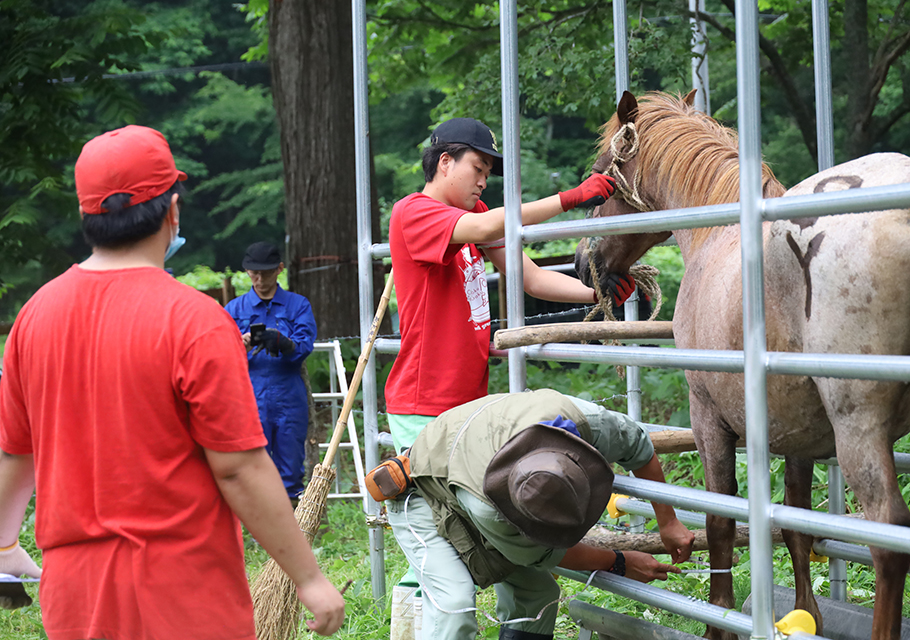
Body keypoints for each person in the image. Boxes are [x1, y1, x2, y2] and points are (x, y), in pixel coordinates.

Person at [0, 125, 344, 638]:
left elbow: (15, 454)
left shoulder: (35, 316)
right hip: (182, 586)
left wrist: (4, 544)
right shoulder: (195, 320)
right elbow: (238, 469)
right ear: (172, 211)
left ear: (84, 215)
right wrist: (308, 577)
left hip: (74, 592)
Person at [385, 117, 637, 630]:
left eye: (489, 173)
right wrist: (572, 199)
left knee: (500, 542)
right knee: (441, 552)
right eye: (478, 168)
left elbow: (529, 275)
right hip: (422, 404)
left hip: (470, 405)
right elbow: (485, 228)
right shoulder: (415, 213)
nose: (483, 181)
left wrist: (599, 296)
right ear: (445, 160)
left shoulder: (474, 212)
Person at [385, 388, 695, 640]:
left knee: (538, 594)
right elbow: (546, 555)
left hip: (464, 472)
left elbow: (638, 445)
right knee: (454, 604)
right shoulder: (489, 507)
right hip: (422, 494)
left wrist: (668, 521)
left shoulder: (582, 422)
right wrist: (620, 562)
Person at [224, 242, 318, 501]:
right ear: (246, 271)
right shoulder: (233, 310)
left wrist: (283, 343)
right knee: (253, 463)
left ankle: (295, 524)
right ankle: (258, 530)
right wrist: (237, 345)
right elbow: (217, 356)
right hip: (250, 396)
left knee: (291, 465)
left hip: (289, 394)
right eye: (254, 272)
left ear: (279, 269)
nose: (260, 279)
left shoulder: (298, 305)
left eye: (266, 272)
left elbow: (304, 346)